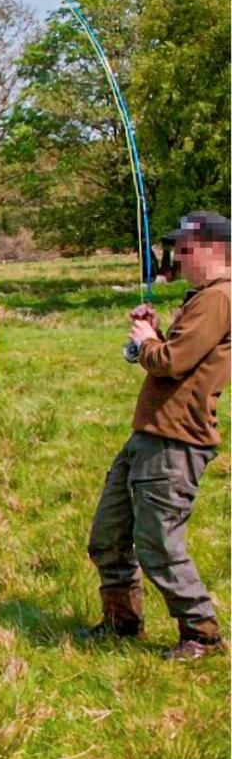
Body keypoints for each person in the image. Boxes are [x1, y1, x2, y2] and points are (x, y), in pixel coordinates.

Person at [81, 211, 230, 661]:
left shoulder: (219, 298)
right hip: (148, 434)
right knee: (108, 535)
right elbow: (179, 355)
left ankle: (201, 633)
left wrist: (148, 340)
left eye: (185, 249)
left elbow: (171, 362)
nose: (179, 258)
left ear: (213, 249)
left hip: (176, 441)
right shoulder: (202, 297)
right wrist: (156, 332)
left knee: (158, 543)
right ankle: (120, 621)